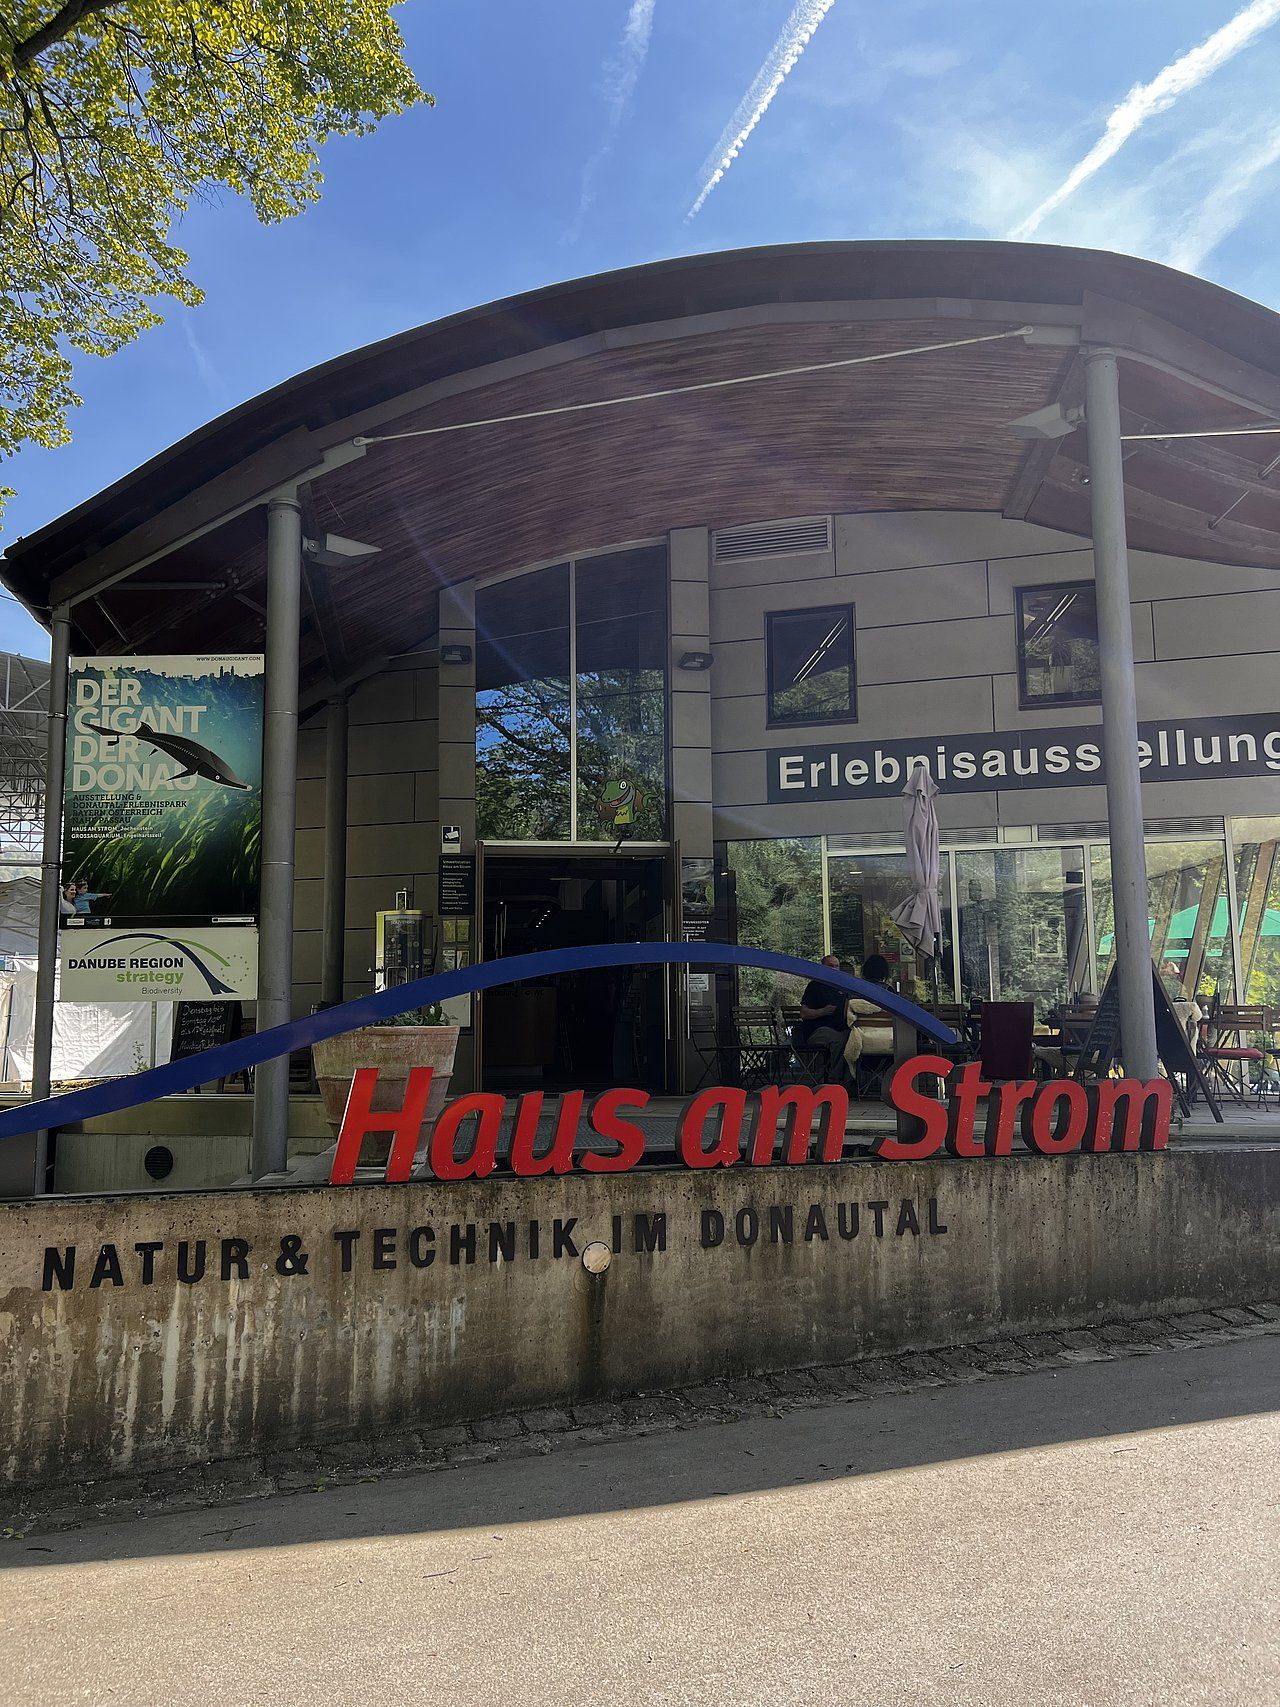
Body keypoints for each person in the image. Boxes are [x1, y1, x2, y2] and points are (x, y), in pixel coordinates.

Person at [843, 954, 897, 1093]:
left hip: (860, 1041)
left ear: (865, 970)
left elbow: (846, 1017)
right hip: (888, 1042)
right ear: (885, 972)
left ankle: (854, 1084)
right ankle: (892, 1084)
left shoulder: (855, 990)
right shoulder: (888, 991)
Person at [796, 952, 850, 1082]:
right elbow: (803, 1013)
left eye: (837, 966)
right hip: (818, 1030)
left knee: (855, 1039)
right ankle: (835, 1080)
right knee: (838, 1041)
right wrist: (822, 1011)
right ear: (822, 967)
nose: (834, 969)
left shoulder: (843, 987)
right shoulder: (815, 986)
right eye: (830, 966)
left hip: (842, 1028)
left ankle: (851, 1081)